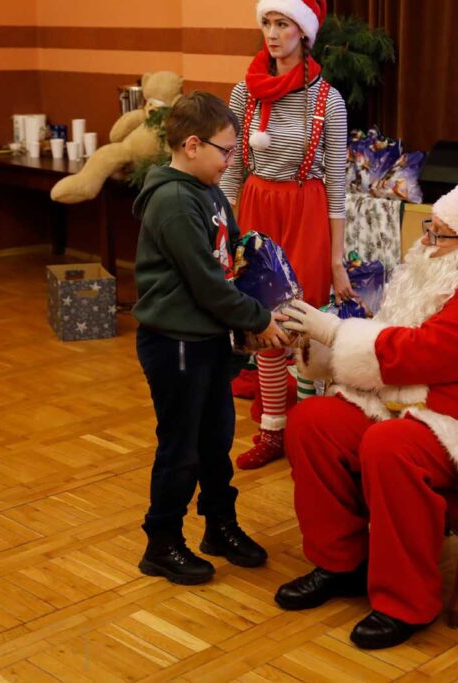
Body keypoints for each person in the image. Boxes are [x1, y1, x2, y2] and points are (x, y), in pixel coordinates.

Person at [277, 179, 458, 649]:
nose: (423, 243)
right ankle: (341, 563)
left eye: (436, 234)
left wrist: (333, 332)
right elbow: (388, 336)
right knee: (314, 424)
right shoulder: (438, 273)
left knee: (390, 447)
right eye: (427, 230)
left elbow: (419, 353)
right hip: (396, 397)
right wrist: (315, 338)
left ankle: (405, 602)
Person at [132, 91, 290, 585]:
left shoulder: (209, 192)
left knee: (215, 439)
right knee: (181, 447)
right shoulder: (174, 200)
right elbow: (204, 282)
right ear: (193, 145)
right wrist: (258, 320)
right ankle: (162, 542)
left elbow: (230, 265)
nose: (231, 161)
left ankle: (219, 526)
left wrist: (259, 291)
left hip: (207, 340)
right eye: (225, 151)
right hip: (176, 342)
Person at [220, 0, 352, 470]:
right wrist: (224, 238)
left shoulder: (328, 100)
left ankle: (314, 429)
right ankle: (273, 428)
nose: (272, 34)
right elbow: (230, 172)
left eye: (283, 24)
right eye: (267, 24)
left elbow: (337, 187)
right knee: (263, 321)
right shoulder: (244, 94)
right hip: (257, 209)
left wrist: (336, 261)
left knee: (305, 322)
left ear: (305, 33)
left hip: (307, 211)